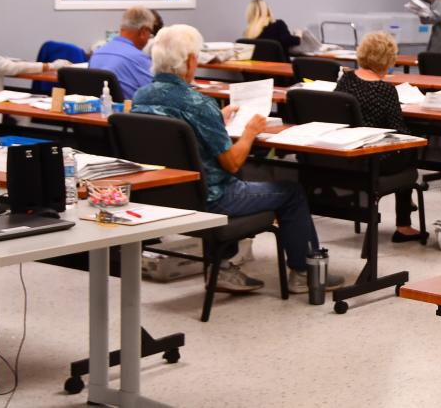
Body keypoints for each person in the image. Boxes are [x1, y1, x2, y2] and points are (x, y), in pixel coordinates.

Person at [132, 24, 342, 294]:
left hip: (164, 195)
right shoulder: (198, 104)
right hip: (211, 198)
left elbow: (178, 135)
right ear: (191, 60)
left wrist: (217, 120)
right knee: (292, 192)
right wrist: (250, 133)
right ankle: (304, 273)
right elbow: (232, 163)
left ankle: (223, 266)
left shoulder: (141, 96)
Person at [335, 32, 427, 242]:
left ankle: (407, 203)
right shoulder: (385, 90)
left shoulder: (346, 79)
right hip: (373, 159)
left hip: (347, 154)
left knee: (405, 150)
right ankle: (404, 224)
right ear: (387, 59)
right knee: (410, 149)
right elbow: (400, 131)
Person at [88, 6, 155, 99]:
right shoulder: (138, 58)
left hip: (100, 111)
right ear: (143, 32)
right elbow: (156, 94)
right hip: (130, 112)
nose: (149, 38)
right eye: (150, 34)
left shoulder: (97, 53)